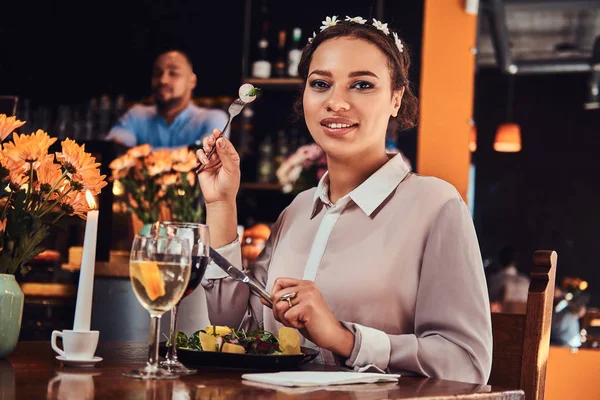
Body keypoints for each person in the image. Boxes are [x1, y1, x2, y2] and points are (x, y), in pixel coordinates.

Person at [196, 16, 492, 384]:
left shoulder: (436, 206)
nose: (336, 102)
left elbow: (468, 364)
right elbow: (236, 330)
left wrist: (345, 339)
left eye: (362, 85)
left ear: (396, 98)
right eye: (321, 83)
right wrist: (222, 204)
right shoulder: (298, 210)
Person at [106, 50, 229, 149]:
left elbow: (206, 156)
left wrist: (137, 154)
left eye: (173, 73)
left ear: (192, 81)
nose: (162, 80)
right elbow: (114, 149)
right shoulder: (136, 115)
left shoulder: (213, 119)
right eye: (157, 73)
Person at [485, 246, 530, 313]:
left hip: (500, 321)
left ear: (499, 260)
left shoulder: (494, 280)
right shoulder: (526, 282)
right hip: (523, 321)